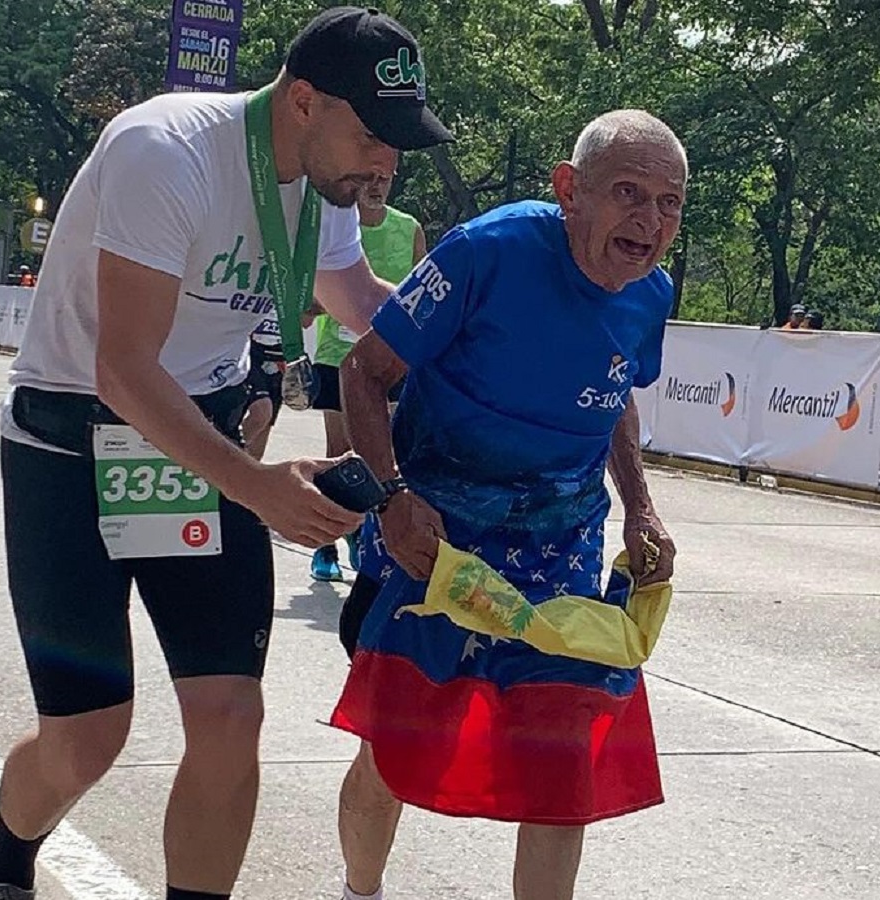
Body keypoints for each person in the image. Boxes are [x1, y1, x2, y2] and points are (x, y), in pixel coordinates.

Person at [0, 9, 451, 900]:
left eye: (397, 141)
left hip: (198, 446)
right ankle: (4, 858)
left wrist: (486, 354)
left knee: (230, 716)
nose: (385, 163)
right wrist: (256, 486)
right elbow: (123, 369)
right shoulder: (165, 150)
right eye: (372, 136)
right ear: (303, 102)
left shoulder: (322, 186)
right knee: (88, 735)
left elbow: (357, 299)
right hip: (70, 445)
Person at [328, 109, 684, 900]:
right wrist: (391, 498)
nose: (649, 221)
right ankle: (359, 892)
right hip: (435, 540)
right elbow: (364, 371)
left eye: (669, 203)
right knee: (395, 746)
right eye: (628, 193)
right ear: (570, 190)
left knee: (562, 765)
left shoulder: (650, 294)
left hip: (560, 553)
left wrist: (640, 506)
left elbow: (616, 394)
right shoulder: (486, 251)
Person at [309, 155, 426, 581]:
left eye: (385, 179)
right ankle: (325, 544)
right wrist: (335, 305)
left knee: (384, 451)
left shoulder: (408, 227)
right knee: (340, 453)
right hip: (336, 354)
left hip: (390, 358)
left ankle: (369, 538)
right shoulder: (336, 222)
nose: (376, 186)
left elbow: (422, 292)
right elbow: (310, 295)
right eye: (370, 178)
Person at [239, 319, 286, 460]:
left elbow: (306, 321)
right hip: (250, 354)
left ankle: (250, 470)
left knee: (266, 422)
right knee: (261, 413)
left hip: (278, 356)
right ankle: (223, 456)